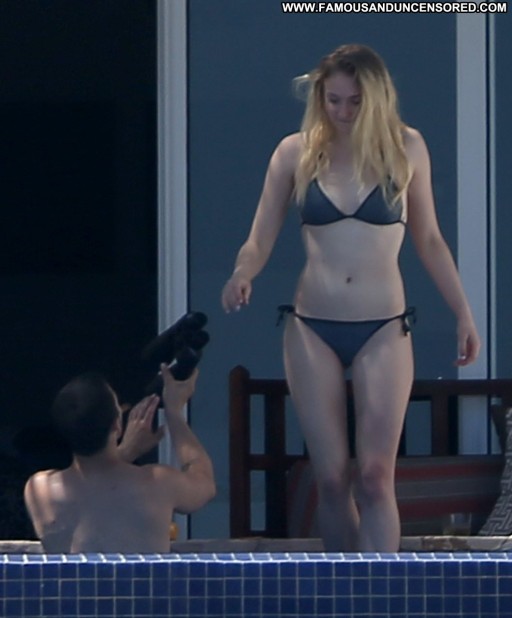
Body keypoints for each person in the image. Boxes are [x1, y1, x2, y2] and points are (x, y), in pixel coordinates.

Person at [221, 44, 480, 552]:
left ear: (377, 98)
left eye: (355, 101)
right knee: (332, 477)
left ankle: (380, 588)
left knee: (376, 476)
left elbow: (429, 239)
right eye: (333, 100)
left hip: (382, 324)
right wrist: (242, 273)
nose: (342, 111)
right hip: (312, 324)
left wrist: (463, 312)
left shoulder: (406, 147)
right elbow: (259, 238)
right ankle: (346, 588)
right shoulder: (295, 152)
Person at [24, 365, 215, 553]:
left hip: (74, 577)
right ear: (117, 424)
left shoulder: (39, 489)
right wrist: (174, 412)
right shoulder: (158, 482)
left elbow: (95, 494)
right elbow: (205, 482)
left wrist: (126, 451)